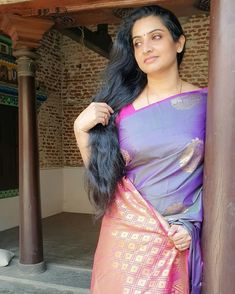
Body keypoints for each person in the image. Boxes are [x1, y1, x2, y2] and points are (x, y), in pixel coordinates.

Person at [74, 5, 207, 294]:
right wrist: (80, 130)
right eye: (137, 42)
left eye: (156, 37)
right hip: (122, 238)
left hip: (174, 236)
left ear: (179, 42)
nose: (146, 47)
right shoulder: (120, 112)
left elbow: (222, 176)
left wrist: (191, 223)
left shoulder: (206, 104)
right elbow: (104, 177)